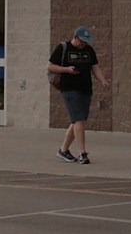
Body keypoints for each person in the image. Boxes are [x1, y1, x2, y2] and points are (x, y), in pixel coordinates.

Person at [45, 26, 107, 164]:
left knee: (79, 121)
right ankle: (82, 153)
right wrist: (66, 69)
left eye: (86, 42)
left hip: (85, 88)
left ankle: (63, 150)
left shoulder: (89, 50)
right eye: (82, 41)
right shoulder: (63, 47)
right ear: (75, 37)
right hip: (69, 89)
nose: (83, 44)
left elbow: (94, 66)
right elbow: (50, 66)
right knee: (78, 119)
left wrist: (102, 79)